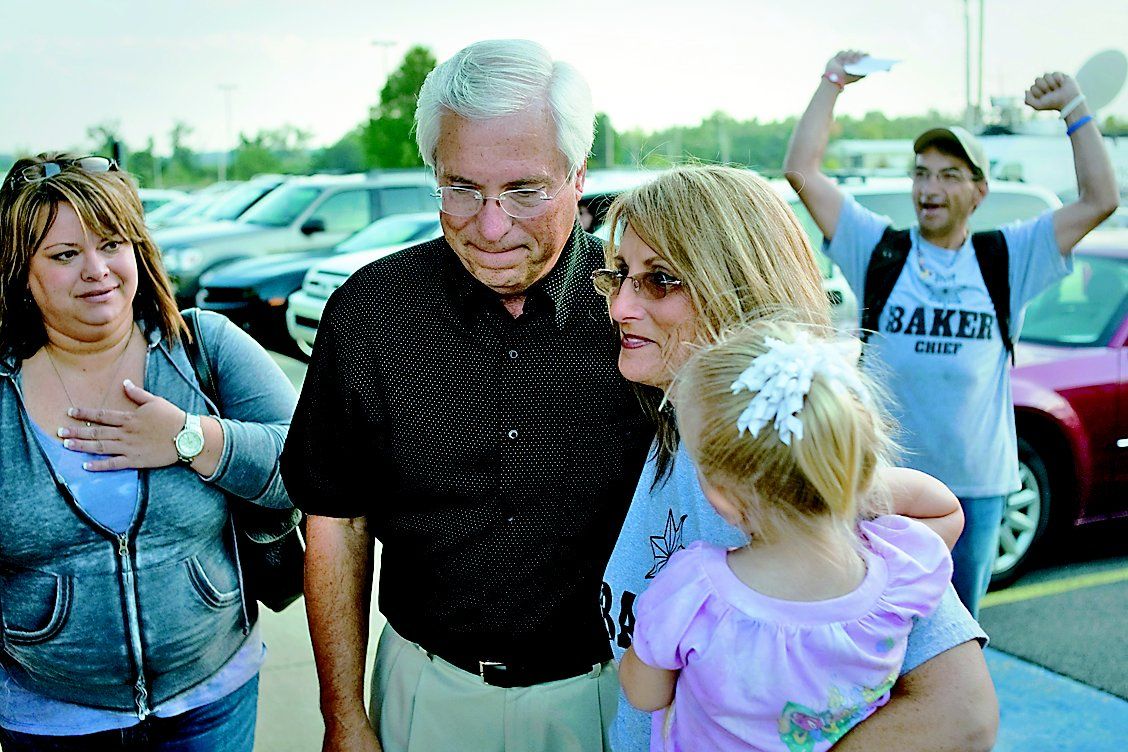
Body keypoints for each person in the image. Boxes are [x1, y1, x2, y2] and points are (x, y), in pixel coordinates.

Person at [280, 39, 653, 752]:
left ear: (580, 174)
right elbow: (337, 522)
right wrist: (344, 717)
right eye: (461, 188)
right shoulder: (372, 314)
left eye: (524, 190)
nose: (490, 227)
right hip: (425, 695)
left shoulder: (642, 309)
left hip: (613, 699)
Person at [599, 164, 998, 752]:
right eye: (620, 276)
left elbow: (964, 718)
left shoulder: (771, 483)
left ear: (739, 284)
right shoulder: (676, 435)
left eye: (659, 280)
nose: (621, 307)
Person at [783, 51, 1118, 616]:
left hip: (977, 489)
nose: (930, 187)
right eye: (921, 172)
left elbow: (1100, 200)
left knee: (957, 631)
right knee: (873, 627)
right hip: (883, 484)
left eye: (948, 174)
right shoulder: (879, 249)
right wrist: (833, 81)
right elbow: (802, 171)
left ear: (978, 191)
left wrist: (1075, 109)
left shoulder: (1008, 256)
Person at [0, 153, 297, 750]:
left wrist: (192, 439)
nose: (97, 271)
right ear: (22, 276)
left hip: (210, 702)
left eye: (112, 244)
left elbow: (311, 468)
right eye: (64, 255)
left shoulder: (203, 348)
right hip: (48, 718)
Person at [618, 319, 957, 751]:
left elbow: (644, 693)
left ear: (722, 495)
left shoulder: (694, 591)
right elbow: (944, 509)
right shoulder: (899, 575)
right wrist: (841, 488)